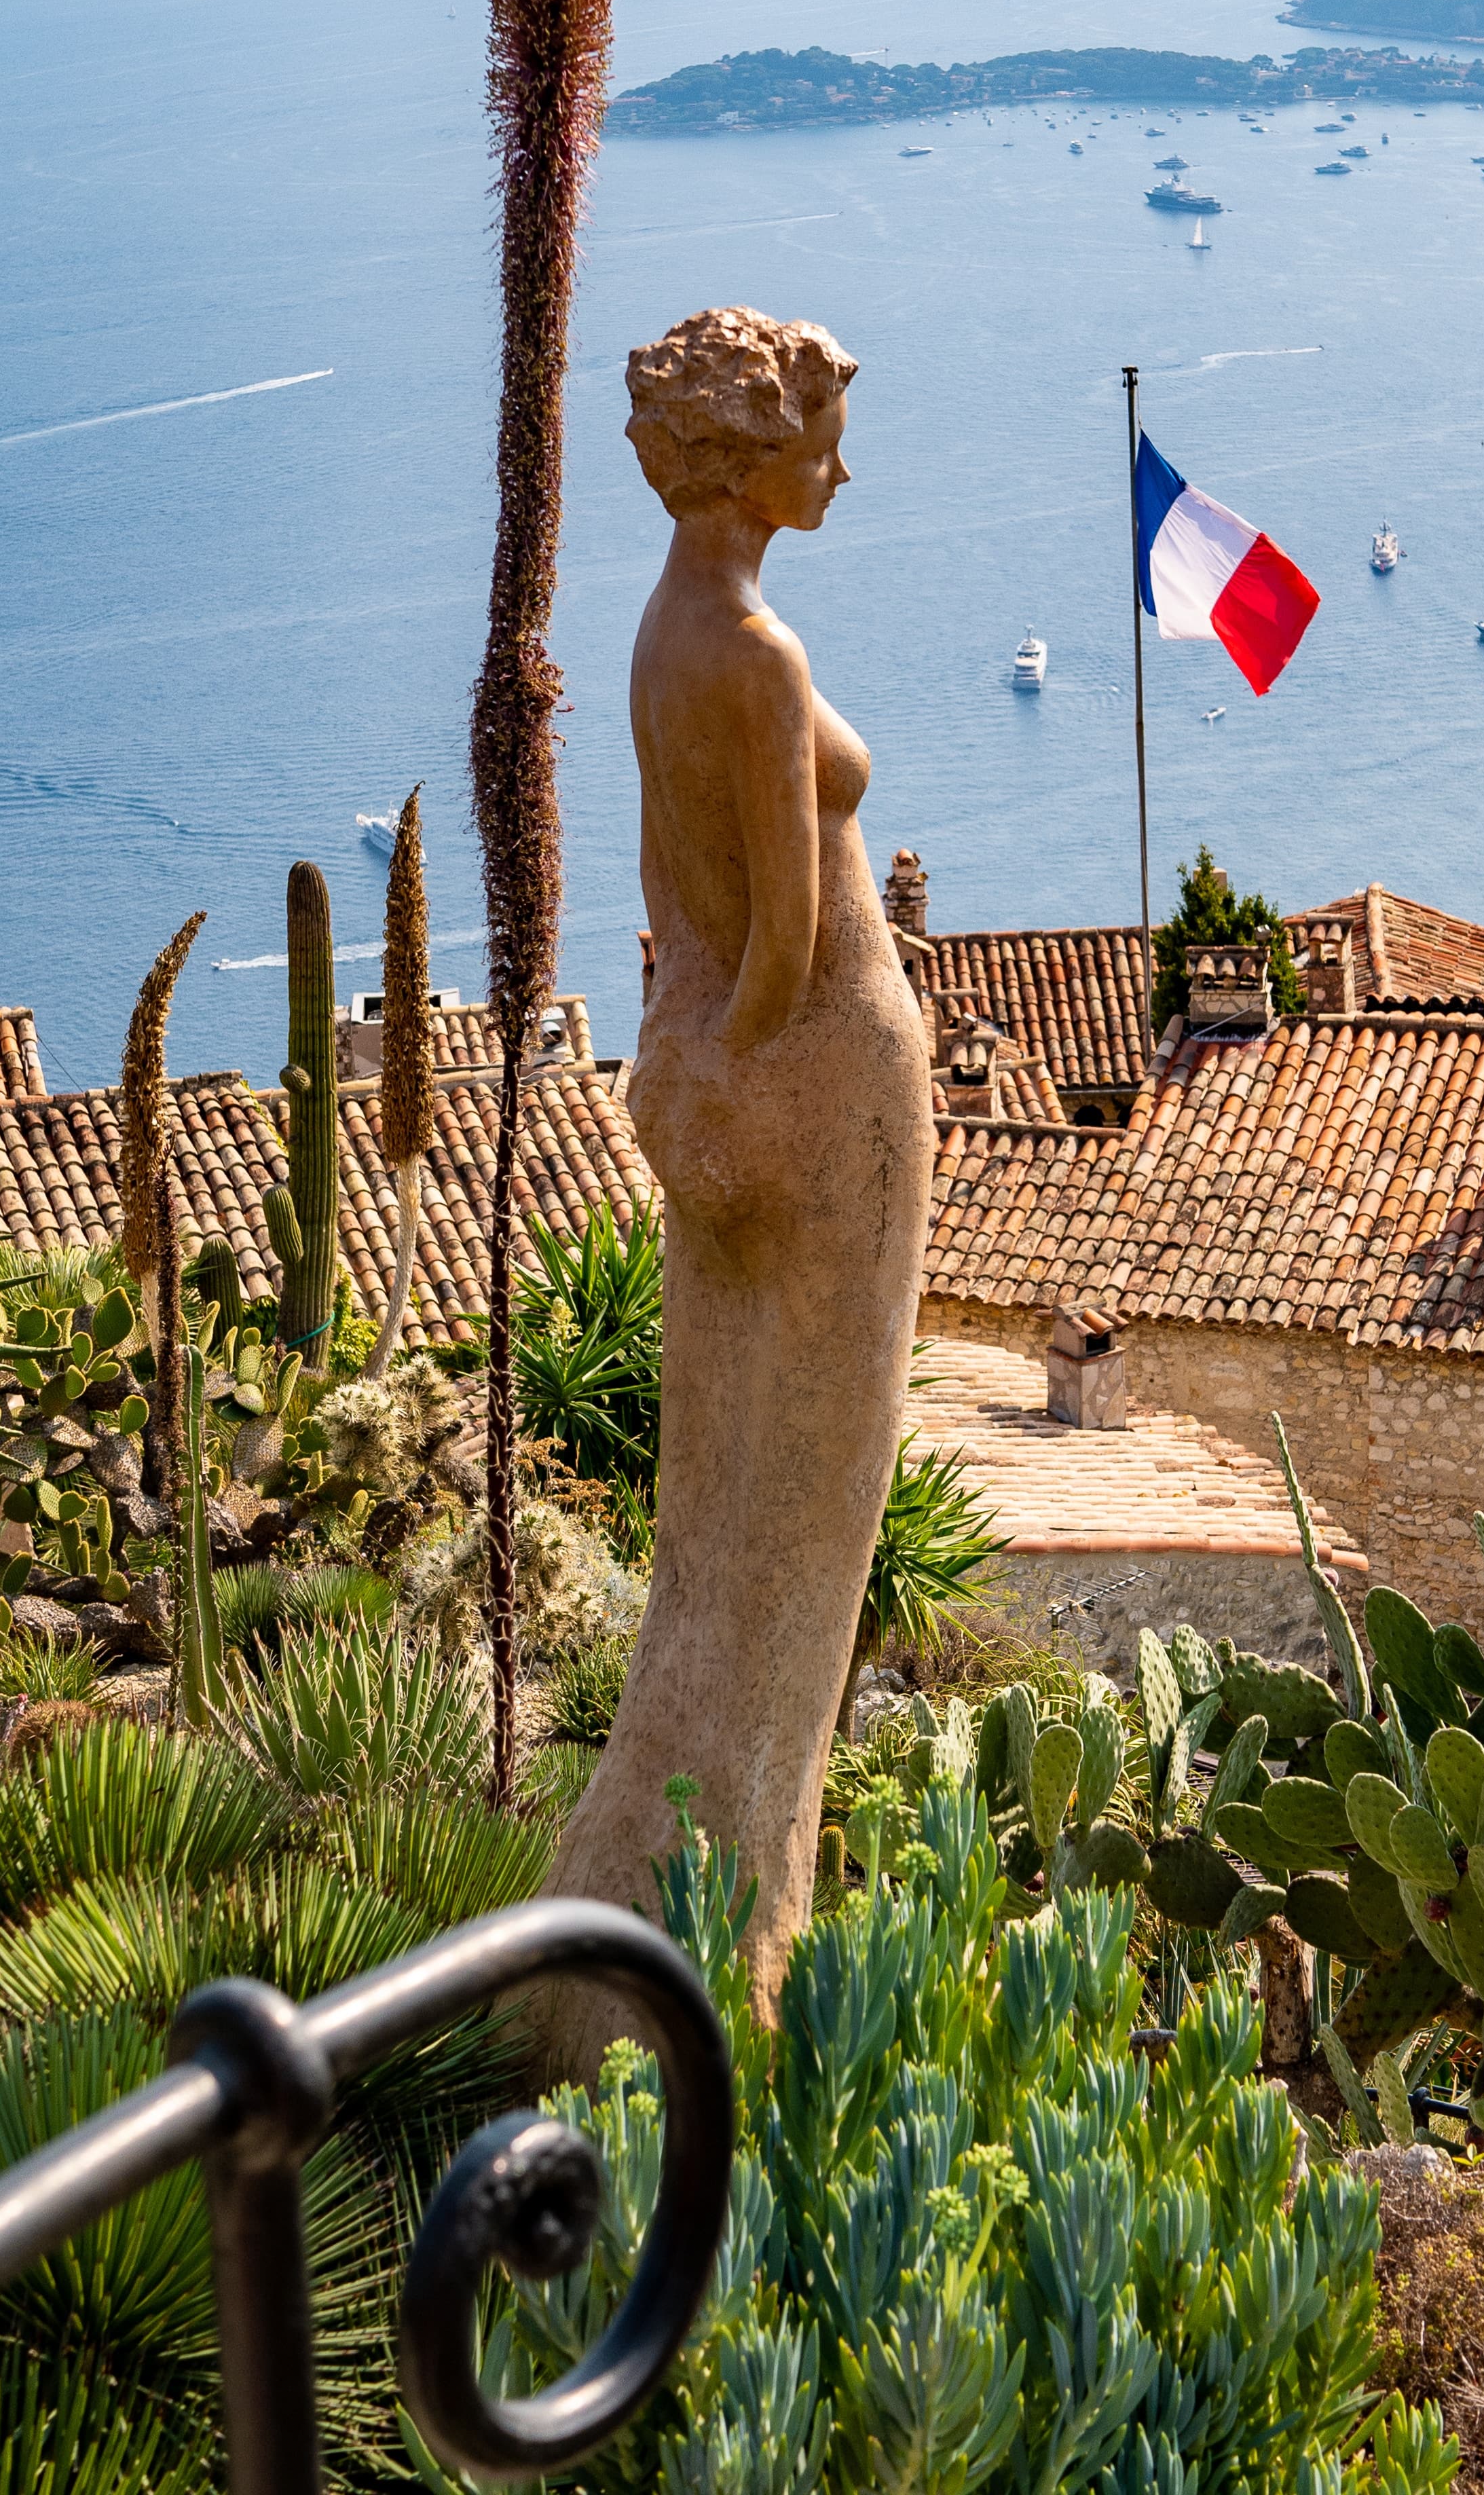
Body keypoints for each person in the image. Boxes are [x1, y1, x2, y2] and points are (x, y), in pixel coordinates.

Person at [544, 306, 934, 2022]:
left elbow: (669, 883)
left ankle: (617, 1923)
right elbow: (787, 929)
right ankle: (729, 1968)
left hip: (707, 1068)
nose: (841, 472)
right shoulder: (760, 657)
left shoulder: (660, 628)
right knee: (804, 1535)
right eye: (821, 444)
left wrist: (681, 1051)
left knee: (718, 1518)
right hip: (825, 1087)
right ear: (748, 456)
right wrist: (750, 1045)